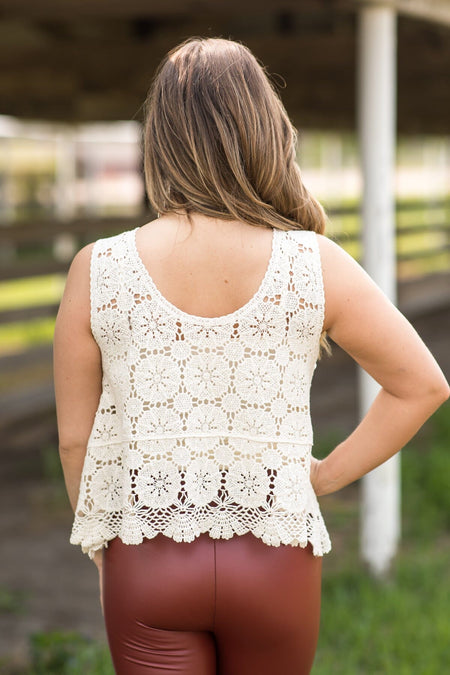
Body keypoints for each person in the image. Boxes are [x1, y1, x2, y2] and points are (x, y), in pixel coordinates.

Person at [53, 37, 449, 675]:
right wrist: (322, 477)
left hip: (147, 559)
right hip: (275, 556)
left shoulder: (97, 269)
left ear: (161, 139)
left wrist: (105, 547)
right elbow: (422, 386)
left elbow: (75, 442)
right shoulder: (312, 262)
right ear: (266, 129)